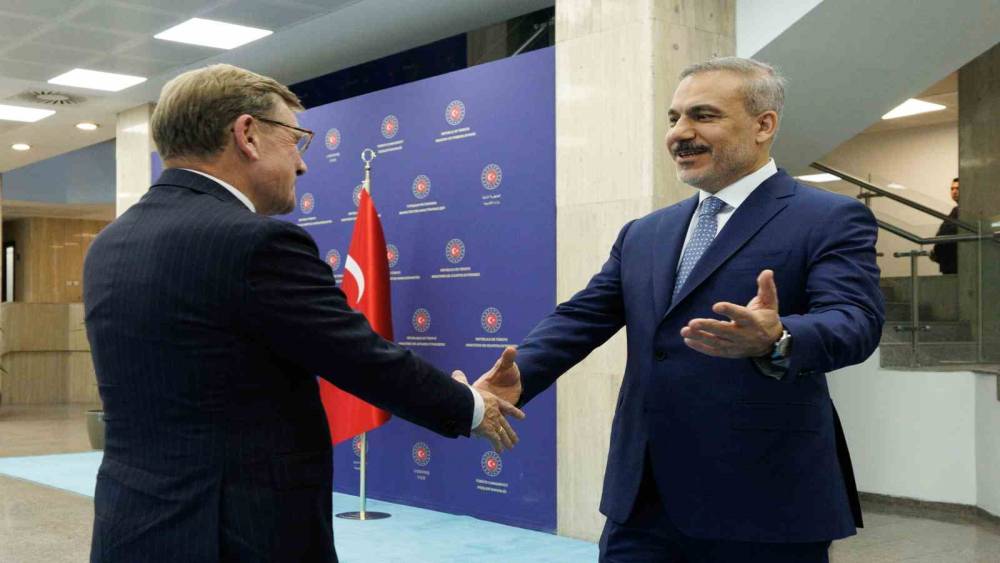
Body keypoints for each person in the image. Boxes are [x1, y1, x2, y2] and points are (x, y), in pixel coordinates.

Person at [83, 64, 523, 563]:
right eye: (295, 140)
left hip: (130, 530)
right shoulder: (255, 243)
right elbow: (361, 359)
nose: (301, 165)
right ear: (247, 134)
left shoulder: (108, 245)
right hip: (236, 538)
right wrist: (473, 406)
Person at [479, 57, 884, 562]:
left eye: (703, 115)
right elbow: (582, 317)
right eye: (673, 118)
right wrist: (520, 375)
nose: (679, 133)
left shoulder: (829, 216)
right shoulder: (645, 232)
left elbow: (855, 320)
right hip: (642, 499)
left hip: (764, 500)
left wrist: (778, 338)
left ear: (764, 125)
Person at [930, 177, 960, 274]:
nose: (954, 191)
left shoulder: (964, 212)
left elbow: (949, 233)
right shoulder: (955, 210)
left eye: (958, 188)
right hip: (949, 264)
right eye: (952, 189)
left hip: (957, 265)